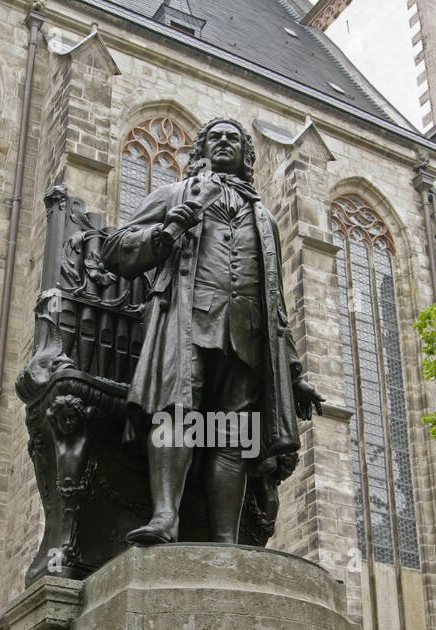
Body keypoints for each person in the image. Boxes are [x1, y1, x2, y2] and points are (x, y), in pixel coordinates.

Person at [101, 117, 323, 545]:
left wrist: (295, 372)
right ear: (202, 149)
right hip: (186, 322)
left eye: (234, 139)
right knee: (177, 413)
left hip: (246, 333)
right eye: (216, 137)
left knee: (231, 432)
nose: (224, 143)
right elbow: (115, 248)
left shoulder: (265, 220)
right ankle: (165, 517)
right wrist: (168, 231)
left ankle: (225, 539)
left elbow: (276, 300)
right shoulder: (174, 195)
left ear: (245, 154)